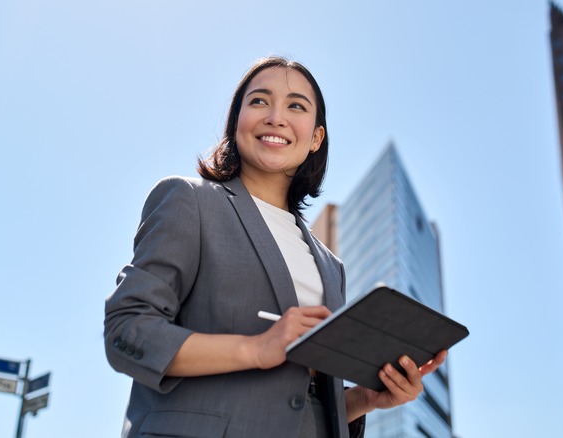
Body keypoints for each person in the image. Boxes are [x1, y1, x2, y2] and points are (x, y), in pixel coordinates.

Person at [104, 56, 447, 438]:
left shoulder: (331, 266)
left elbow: (298, 403)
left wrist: (365, 399)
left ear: (316, 137)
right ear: (237, 122)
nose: (275, 117)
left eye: (296, 106)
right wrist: (256, 349)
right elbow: (127, 330)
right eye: (259, 101)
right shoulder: (190, 201)